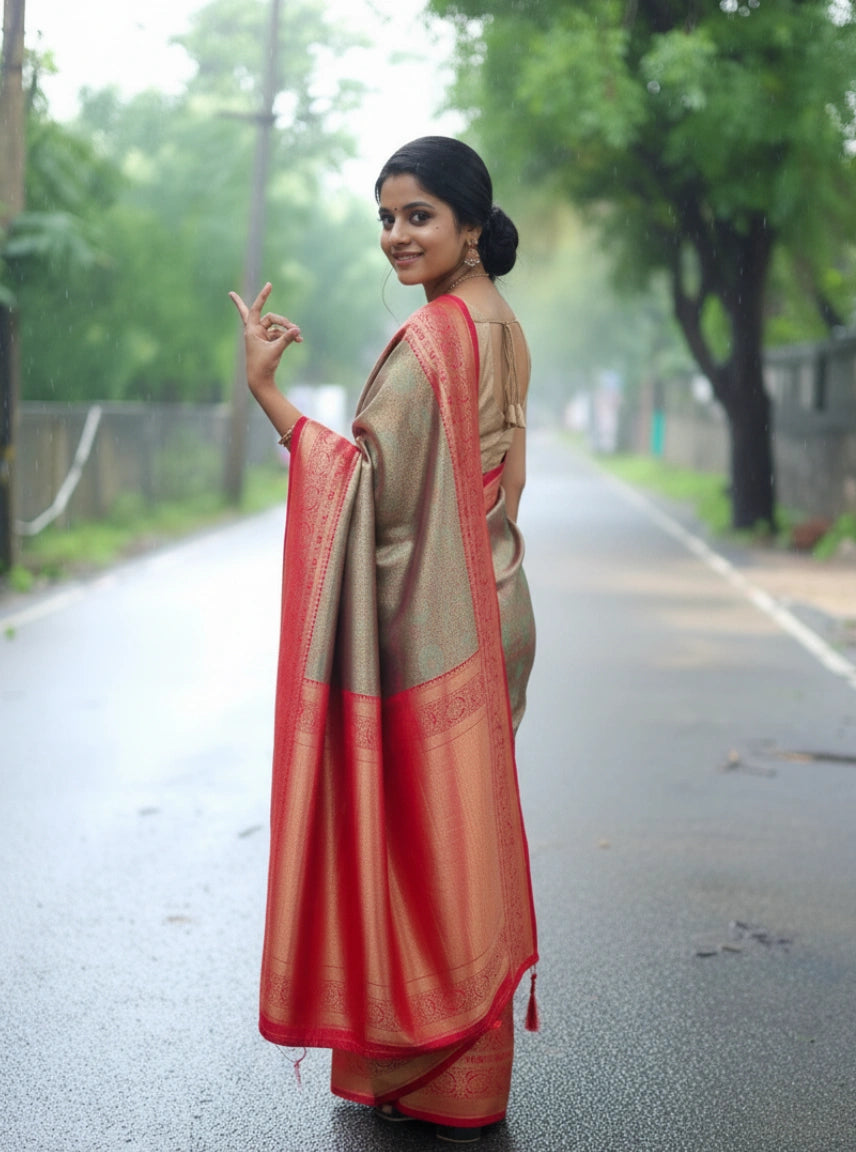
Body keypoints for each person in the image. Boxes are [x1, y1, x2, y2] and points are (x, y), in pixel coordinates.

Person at [229, 136, 538, 1145]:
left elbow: (368, 485)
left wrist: (269, 394)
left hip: (429, 624)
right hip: (493, 606)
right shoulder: (501, 328)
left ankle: (427, 1055)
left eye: (417, 217)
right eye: (386, 217)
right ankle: (453, 1068)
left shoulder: (435, 340)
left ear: (469, 225)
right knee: (457, 837)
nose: (396, 236)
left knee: (416, 838)